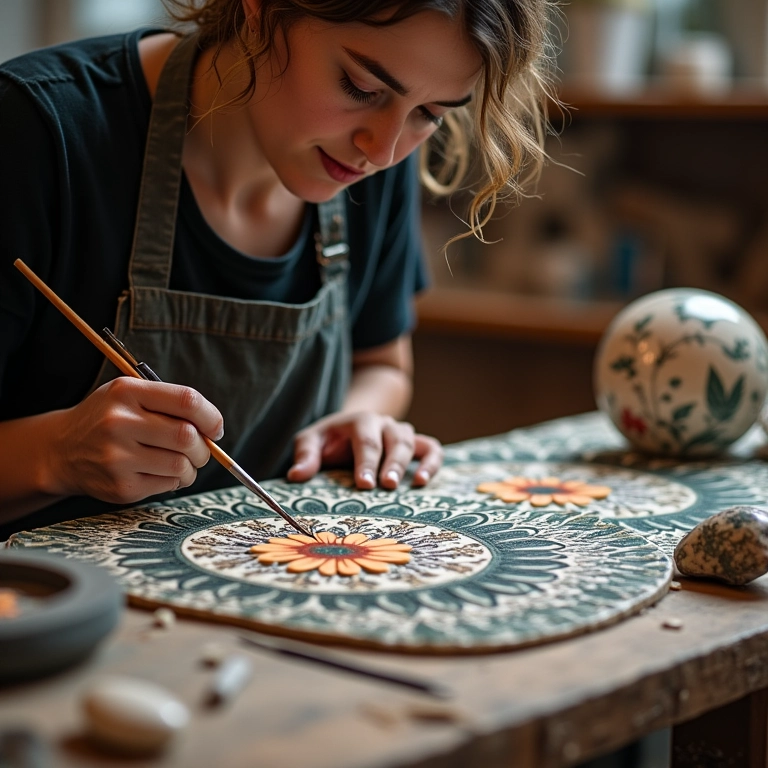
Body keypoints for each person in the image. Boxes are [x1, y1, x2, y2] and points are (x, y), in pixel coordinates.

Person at [0, 0, 553, 535]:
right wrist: (57, 454)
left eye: (430, 114)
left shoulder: (373, 162)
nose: (382, 151)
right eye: (361, 87)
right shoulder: (35, 133)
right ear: (261, 6)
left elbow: (382, 363)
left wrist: (360, 418)